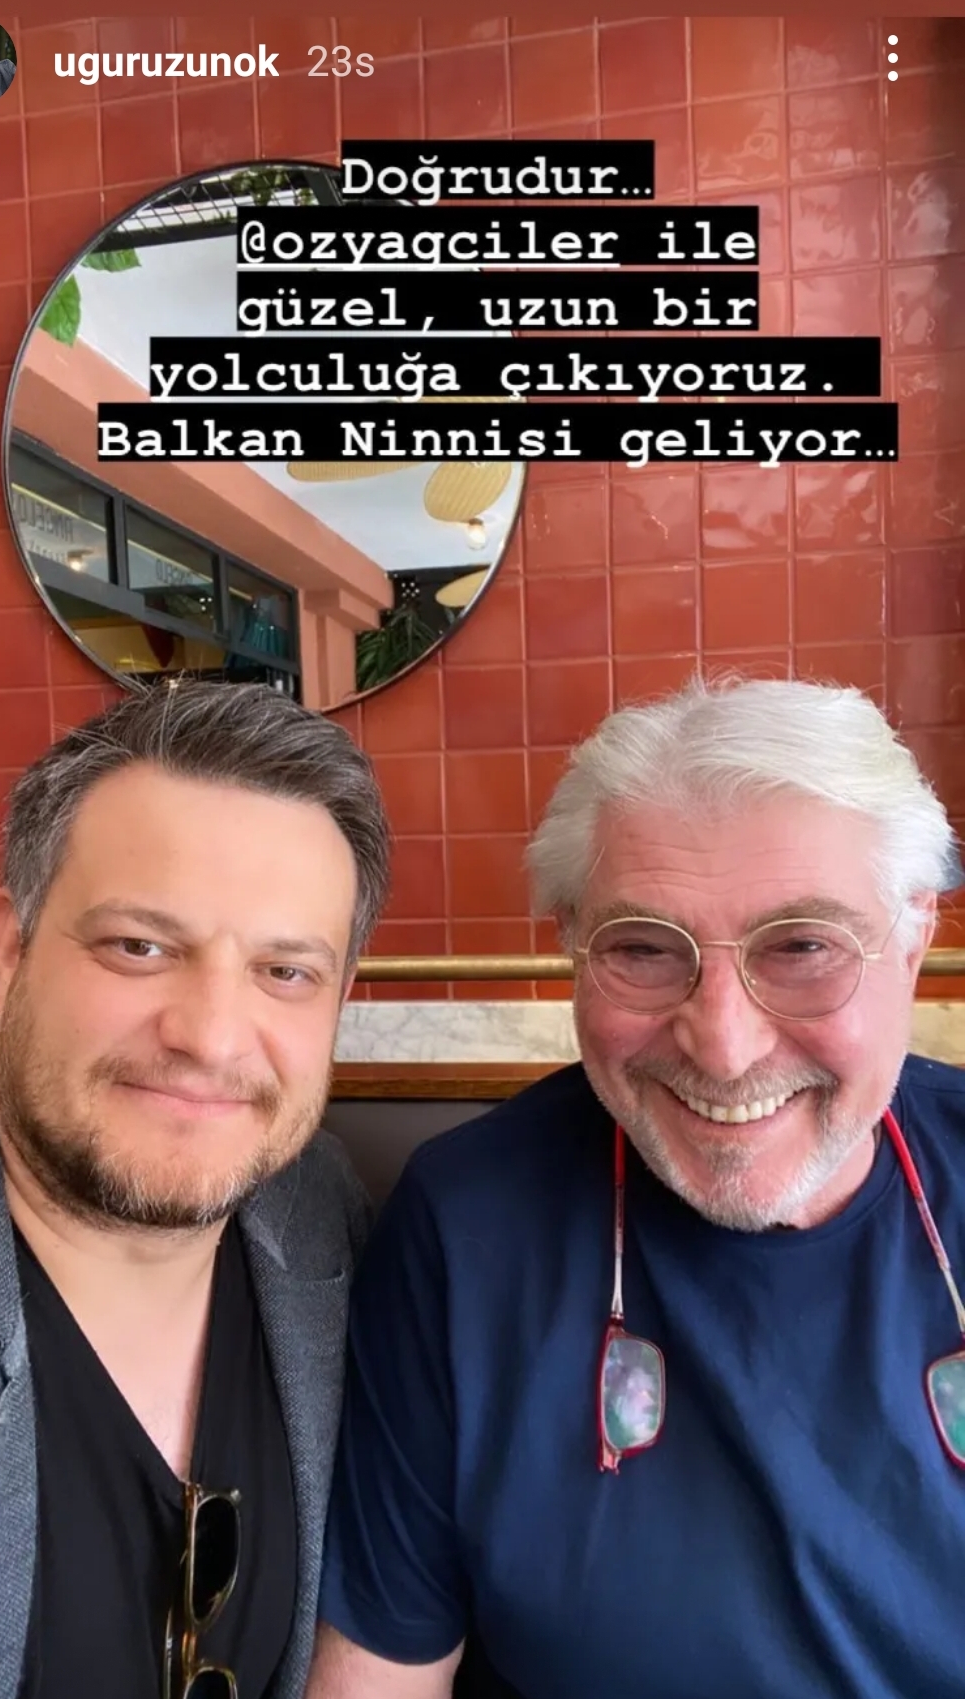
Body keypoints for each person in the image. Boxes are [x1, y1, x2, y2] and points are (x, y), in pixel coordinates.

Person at [307, 676, 965, 1699]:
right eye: (646, 950)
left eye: (803, 946)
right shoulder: (469, 1226)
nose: (725, 1045)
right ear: (573, 943)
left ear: (914, 937)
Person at [0, 680, 389, 1699]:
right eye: (140, 947)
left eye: (286, 971)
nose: (211, 1035)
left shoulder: (319, 1217)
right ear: (11, 947)